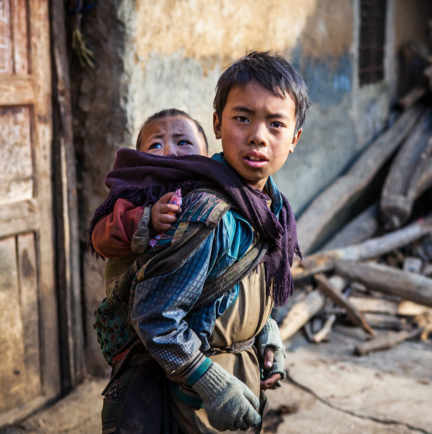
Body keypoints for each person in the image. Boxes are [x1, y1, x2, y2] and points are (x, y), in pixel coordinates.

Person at [93, 51, 308, 434]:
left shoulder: (270, 208)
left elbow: (237, 286)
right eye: (243, 118)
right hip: (192, 392)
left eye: (275, 124)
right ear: (218, 124)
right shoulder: (207, 214)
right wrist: (214, 385)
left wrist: (264, 334)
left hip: (238, 375)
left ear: (294, 138)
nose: (258, 136)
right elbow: (155, 318)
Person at [91, 108, 209, 259]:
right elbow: (102, 239)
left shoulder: (216, 188)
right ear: (139, 159)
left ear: (207, 158)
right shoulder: (134, 190)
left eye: (183, 142)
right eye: (156, 145)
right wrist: (147, 220)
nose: (169, 151)